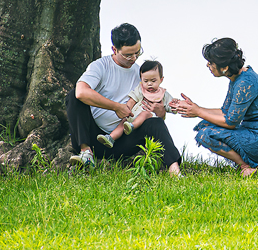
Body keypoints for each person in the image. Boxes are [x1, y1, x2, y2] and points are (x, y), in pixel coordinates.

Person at [65, 23, 182, 175]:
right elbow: (81, 92)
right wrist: (116, 107)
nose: (133, 58)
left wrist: (161, 113)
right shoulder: (101, 66)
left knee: (157, 123)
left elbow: (155, 111)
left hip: (125, 139)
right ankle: (86, 153)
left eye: (137, 53)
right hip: (95, 138)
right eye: (128, 55)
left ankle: (175, 170)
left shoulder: (140, 74)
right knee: (73, 97)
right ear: (115, 49)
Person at [173, 37, 258, 177]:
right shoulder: (238, 78)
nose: (207, 66)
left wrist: (198, 111)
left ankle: (247, 166)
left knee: (206, 134)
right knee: (205, 124)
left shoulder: (245, 82)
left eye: (211, 63)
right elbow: (226, 112)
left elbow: (231, 122)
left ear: (224, 68)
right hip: (253, 133)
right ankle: (245, 166)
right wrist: (195, 107)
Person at [98, 60, 178, 149]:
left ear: (161, 79)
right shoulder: (140, 90)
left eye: (153, 80)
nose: (149, 84)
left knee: (144, 114)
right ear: (141, 80)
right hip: (132, 115)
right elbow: (132, 101)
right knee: (123, 122)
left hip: (147, 120)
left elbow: (171, 106)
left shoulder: (163, 95)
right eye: (146, 81)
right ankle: (111, 138)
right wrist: (126, 110)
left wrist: (176, 105)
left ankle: (132, 126)